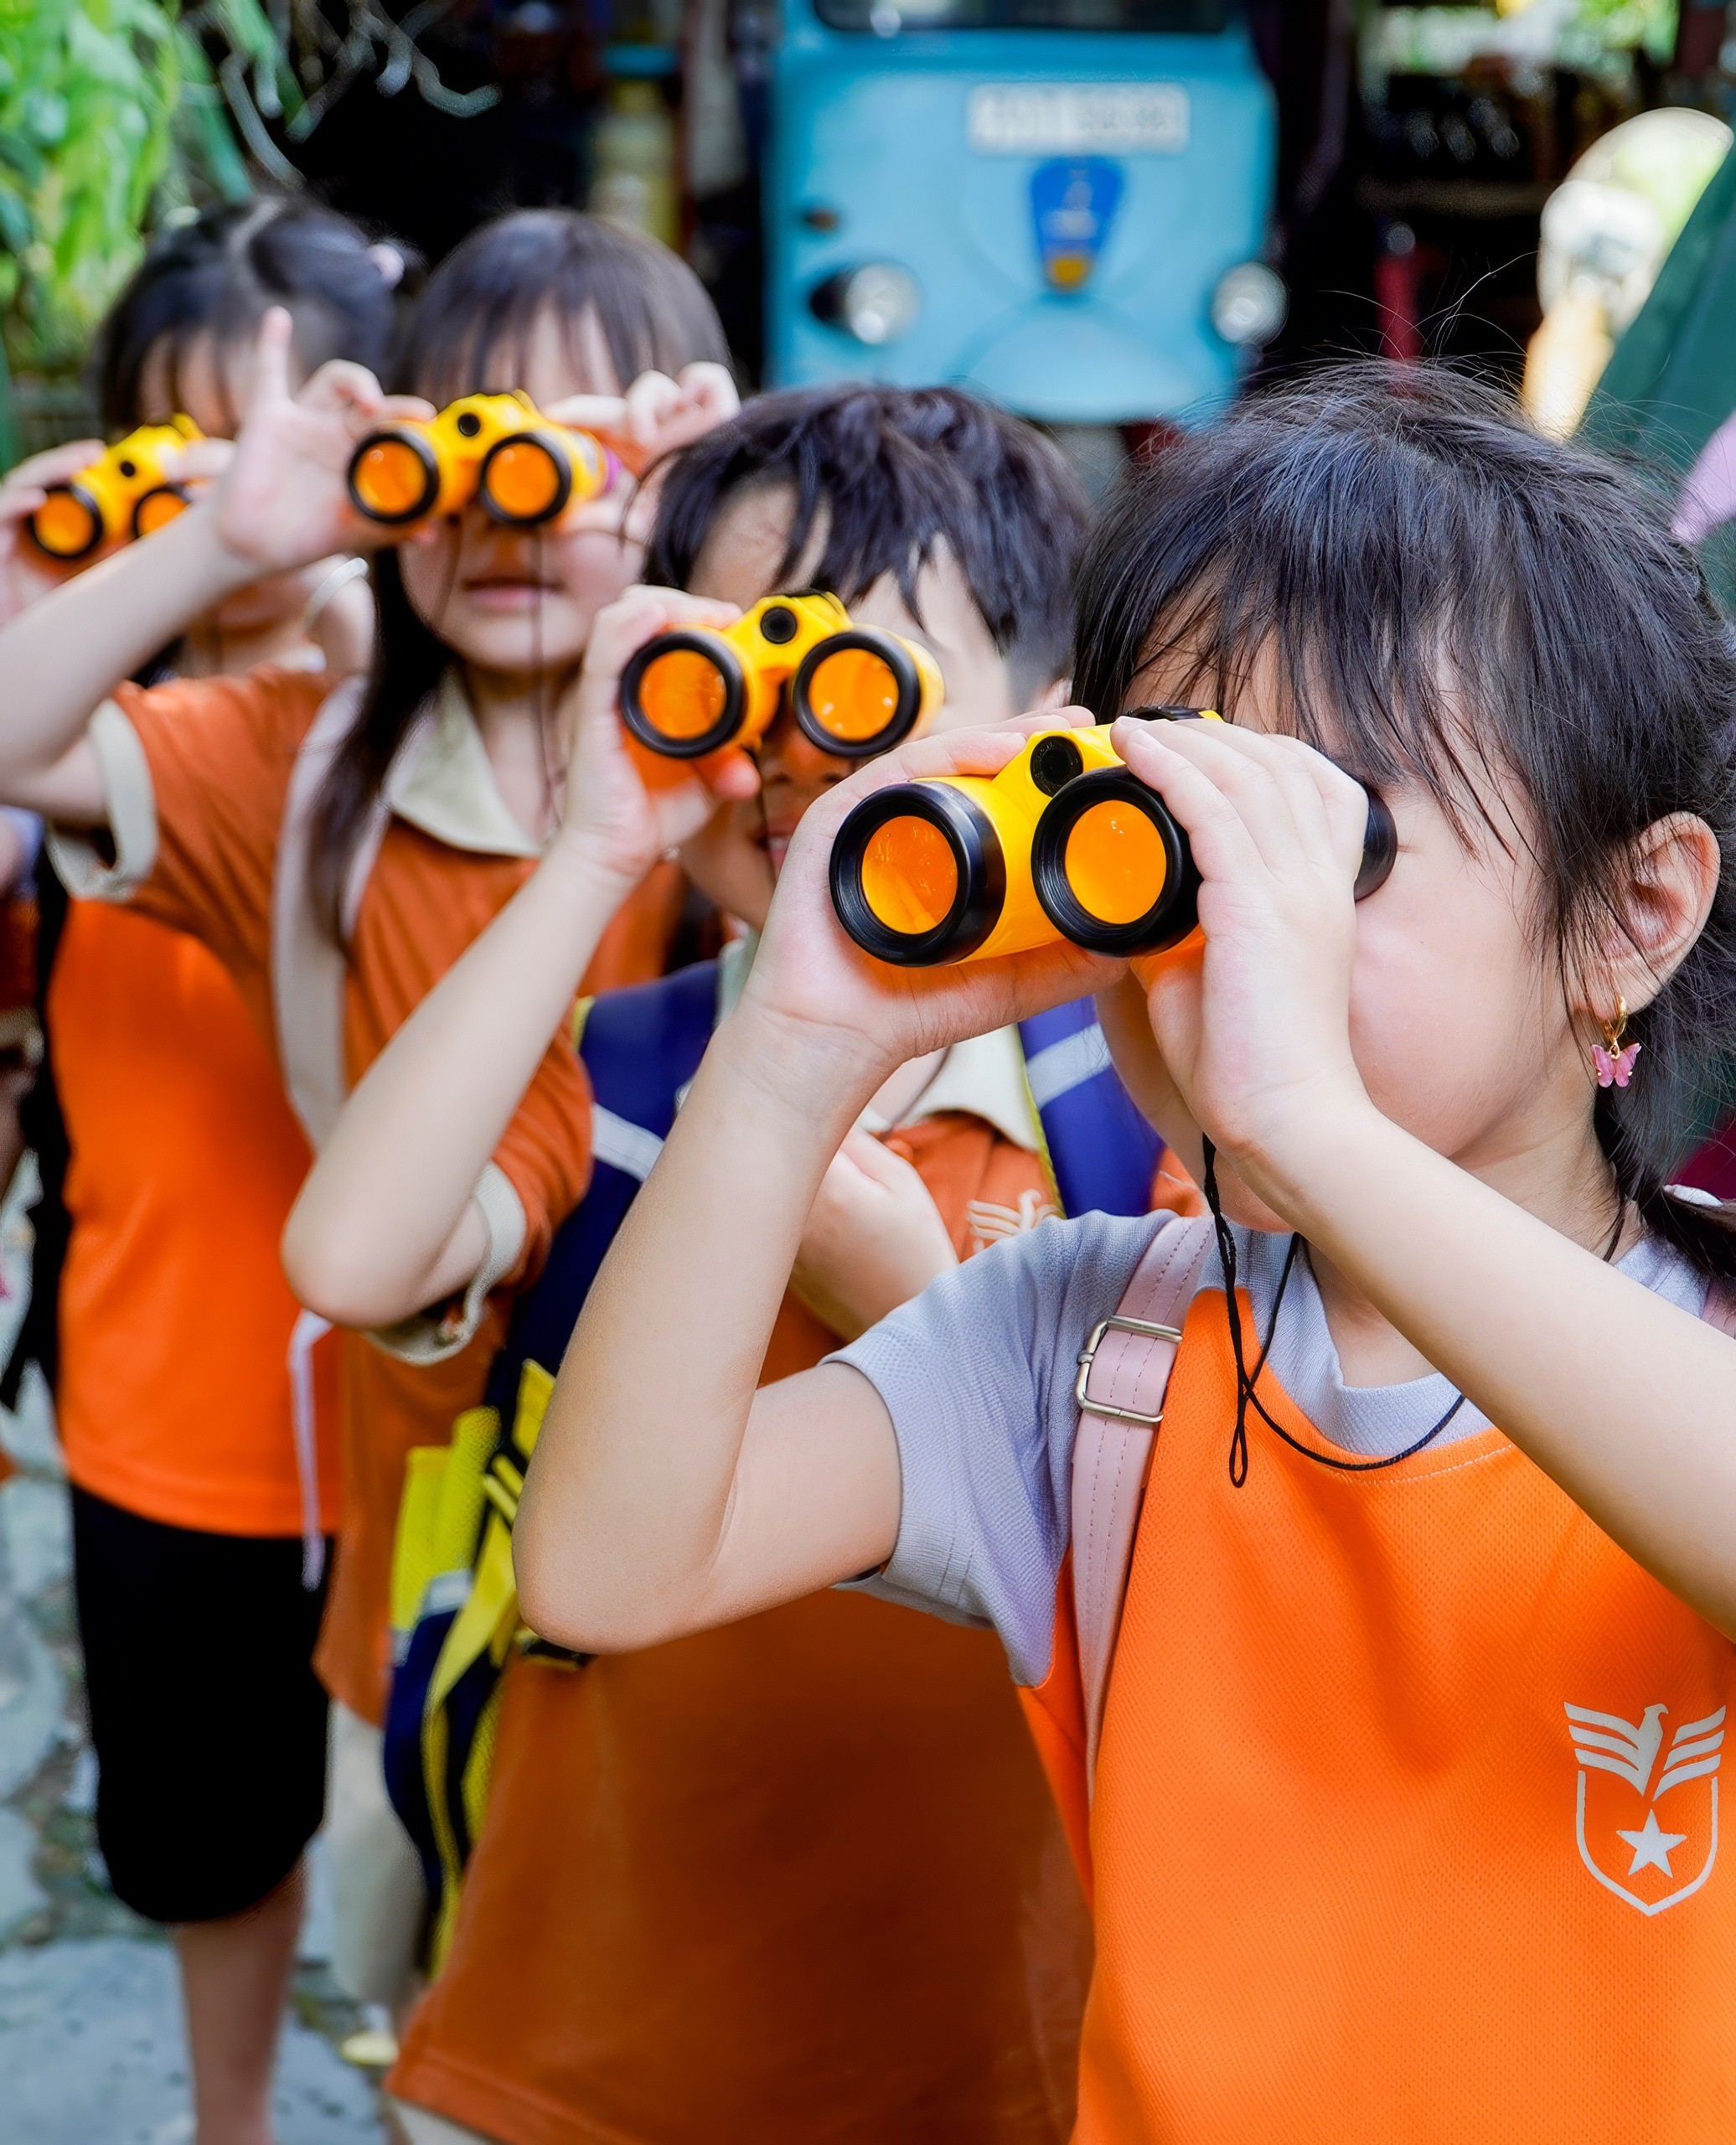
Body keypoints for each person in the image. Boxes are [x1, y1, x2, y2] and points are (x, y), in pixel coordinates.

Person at [514, 364, 1736, 2142]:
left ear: (1629, 914)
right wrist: (794, 1043)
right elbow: (605, 1567)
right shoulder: (1090, 1344)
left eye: (1329, 844)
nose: (1233, 928)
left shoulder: (1694, 1351)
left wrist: (1305, 1123)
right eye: (1179, 837)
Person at [283, 385, 1119, 2145]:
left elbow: (1184, 1545)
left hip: (992, 2027)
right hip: (599, 2006)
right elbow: (355, 1255)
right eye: (748, 672)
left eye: (872, 683)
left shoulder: (1121, 1111)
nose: (805, 751)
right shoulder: (620, 1074)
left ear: (1044, 716)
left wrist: (909, 1291)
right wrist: (600, 842)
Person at [0, 206, 736, 2034]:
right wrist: (228, 537)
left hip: (699, 1493)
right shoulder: (299, 763)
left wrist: (730, 544)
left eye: (575, 457)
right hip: (417, 1510)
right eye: (467, 448)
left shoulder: (750, 785)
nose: (511, 512)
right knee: (427, 1973)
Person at [0, 195, 400, 2145]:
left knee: (455, 1821)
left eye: (280, 441)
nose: (239, 488)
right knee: (206, 1837)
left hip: (424, 1407)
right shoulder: (84, 733)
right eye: (182, 442)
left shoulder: (432, 706)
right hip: (166, 1402)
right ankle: (228, 2120)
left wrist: (327, 573)